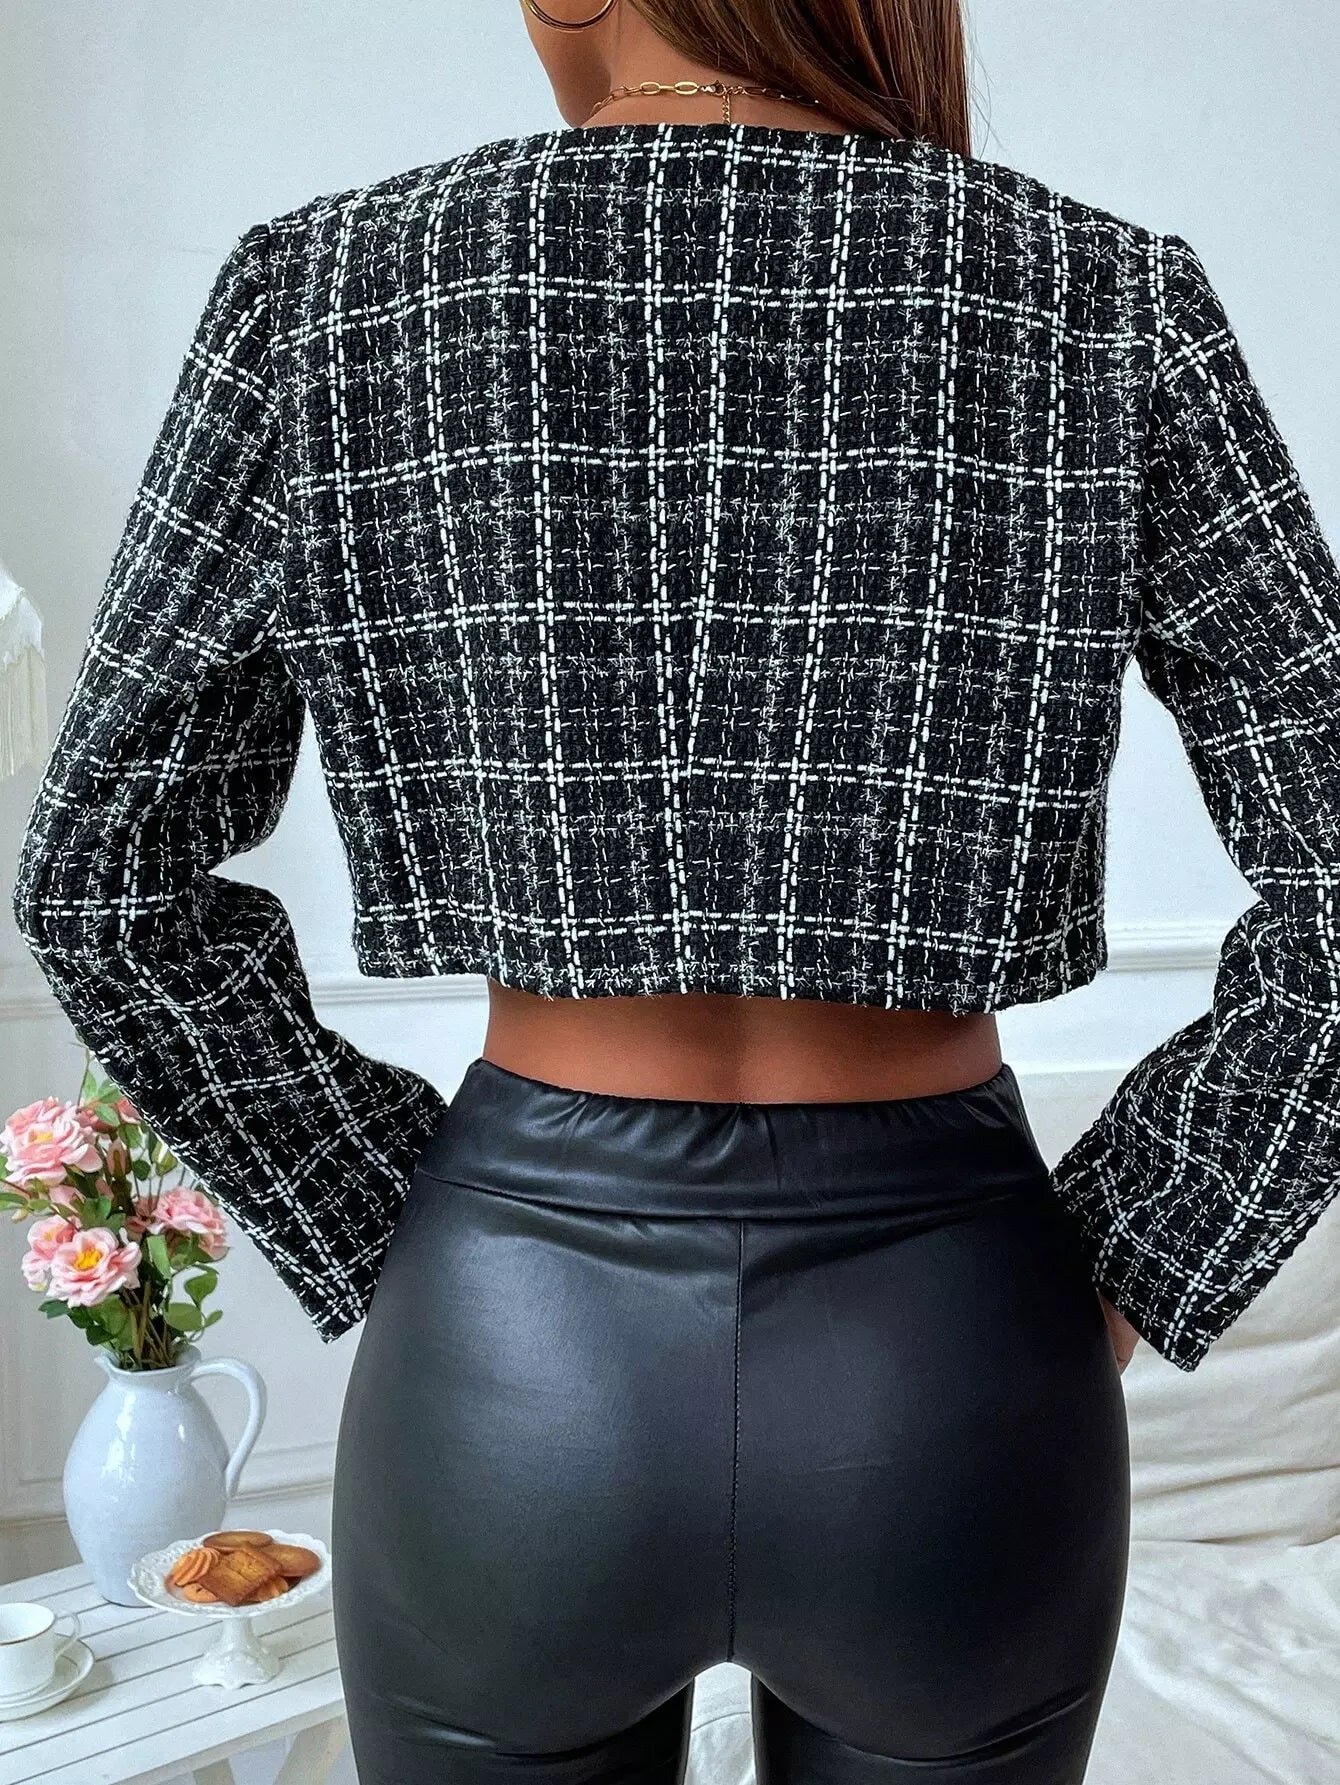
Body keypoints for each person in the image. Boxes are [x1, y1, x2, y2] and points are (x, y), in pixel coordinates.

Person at [11, 0, 1339, 1779]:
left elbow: (102, 877)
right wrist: (1122, 1261)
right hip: (951, 1351)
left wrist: (399, 1227)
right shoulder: (1102, 299)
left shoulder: (329, 292)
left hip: (513, 1360)